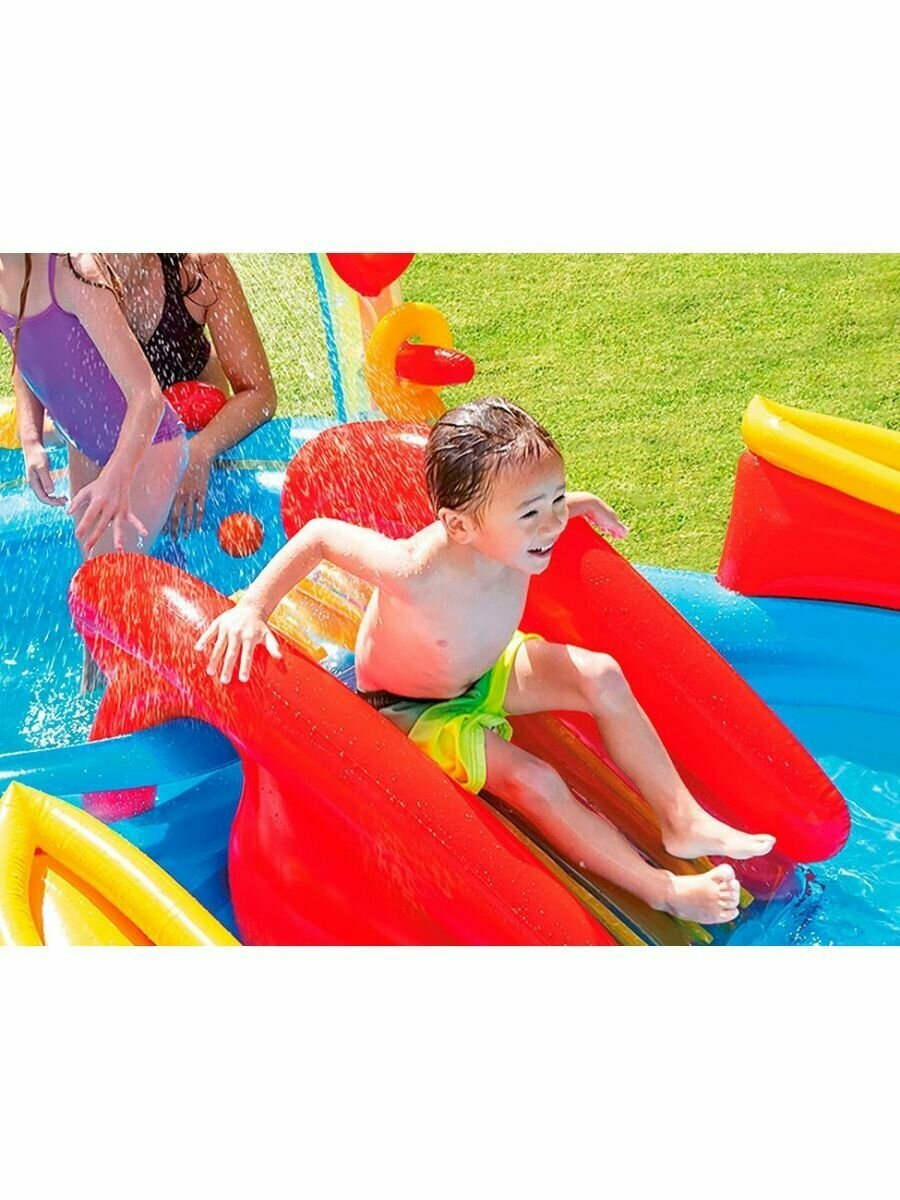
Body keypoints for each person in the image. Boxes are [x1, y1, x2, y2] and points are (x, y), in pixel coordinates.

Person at [196, 397, 776, 925]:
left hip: (486, 668)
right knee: (535, 781)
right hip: (415, 710)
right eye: (532, 514)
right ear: (459, 526)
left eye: (556, 499)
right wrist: (252, 609)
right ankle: (662, 889)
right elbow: (320, 536)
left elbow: (531, 512)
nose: (551, 524)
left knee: (601, 674)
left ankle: (679, 819)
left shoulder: (506, 532)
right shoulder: (415, 571)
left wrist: (578, 506)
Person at [0, 253, 188, 688]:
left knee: (103, 594)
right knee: (96, 605)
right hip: (86, 451)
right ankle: (98, 702)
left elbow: (146, 396)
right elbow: (23, 353)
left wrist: (118, 477)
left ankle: (129, 703)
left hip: (146, 448)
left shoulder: (72, 273)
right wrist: (30, 439)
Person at [106, 254, 276, 537]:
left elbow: (259, 394)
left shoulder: (201, 268)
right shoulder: (72, 276)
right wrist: (31, 436)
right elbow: (31, 342)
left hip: (197, 421)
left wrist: (200, 450)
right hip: (120, 430)